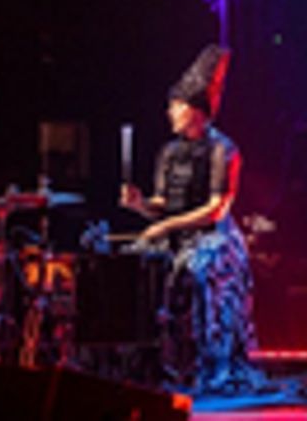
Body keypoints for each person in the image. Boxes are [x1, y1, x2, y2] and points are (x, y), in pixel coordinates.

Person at [119, 44, 263, 395]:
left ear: (194, 110)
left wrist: (166, 225)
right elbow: (163, 205)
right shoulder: (168, 153)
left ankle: (213, 367)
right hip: (177, 237)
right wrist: (140, 206)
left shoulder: (223, 150)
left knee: (199, 268)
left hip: (216, 240)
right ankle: (151, 363)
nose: (168, 111)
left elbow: (217, 208)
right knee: (133, 264)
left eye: (175, 105)